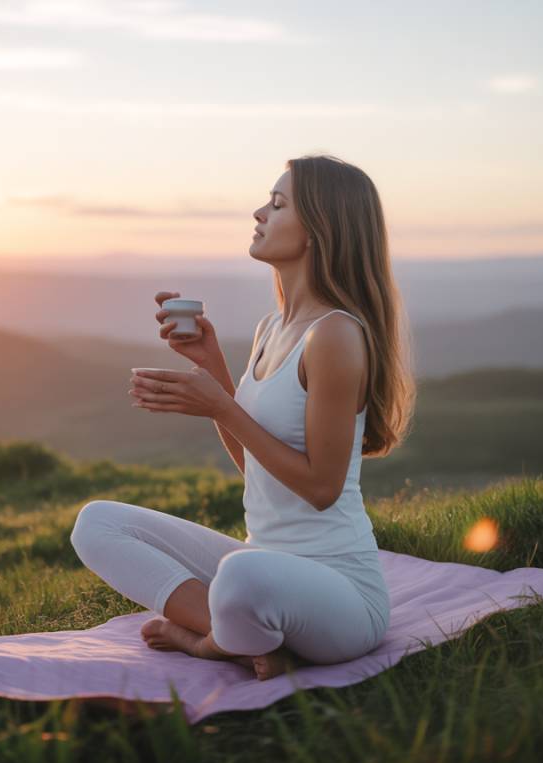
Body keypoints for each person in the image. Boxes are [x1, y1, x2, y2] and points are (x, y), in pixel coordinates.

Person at [70, 154, 417, 680]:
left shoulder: (336, 336)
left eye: (278, 205)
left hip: (340, 593)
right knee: (98, 523)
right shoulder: (272, 328)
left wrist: (221, 404)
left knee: (241, 576)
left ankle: (205, 642)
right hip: (263, 563)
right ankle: (242, 635)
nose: (259, 211)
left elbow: (320, 488)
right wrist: (213, 369)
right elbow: (256, 466)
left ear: (318, 231)